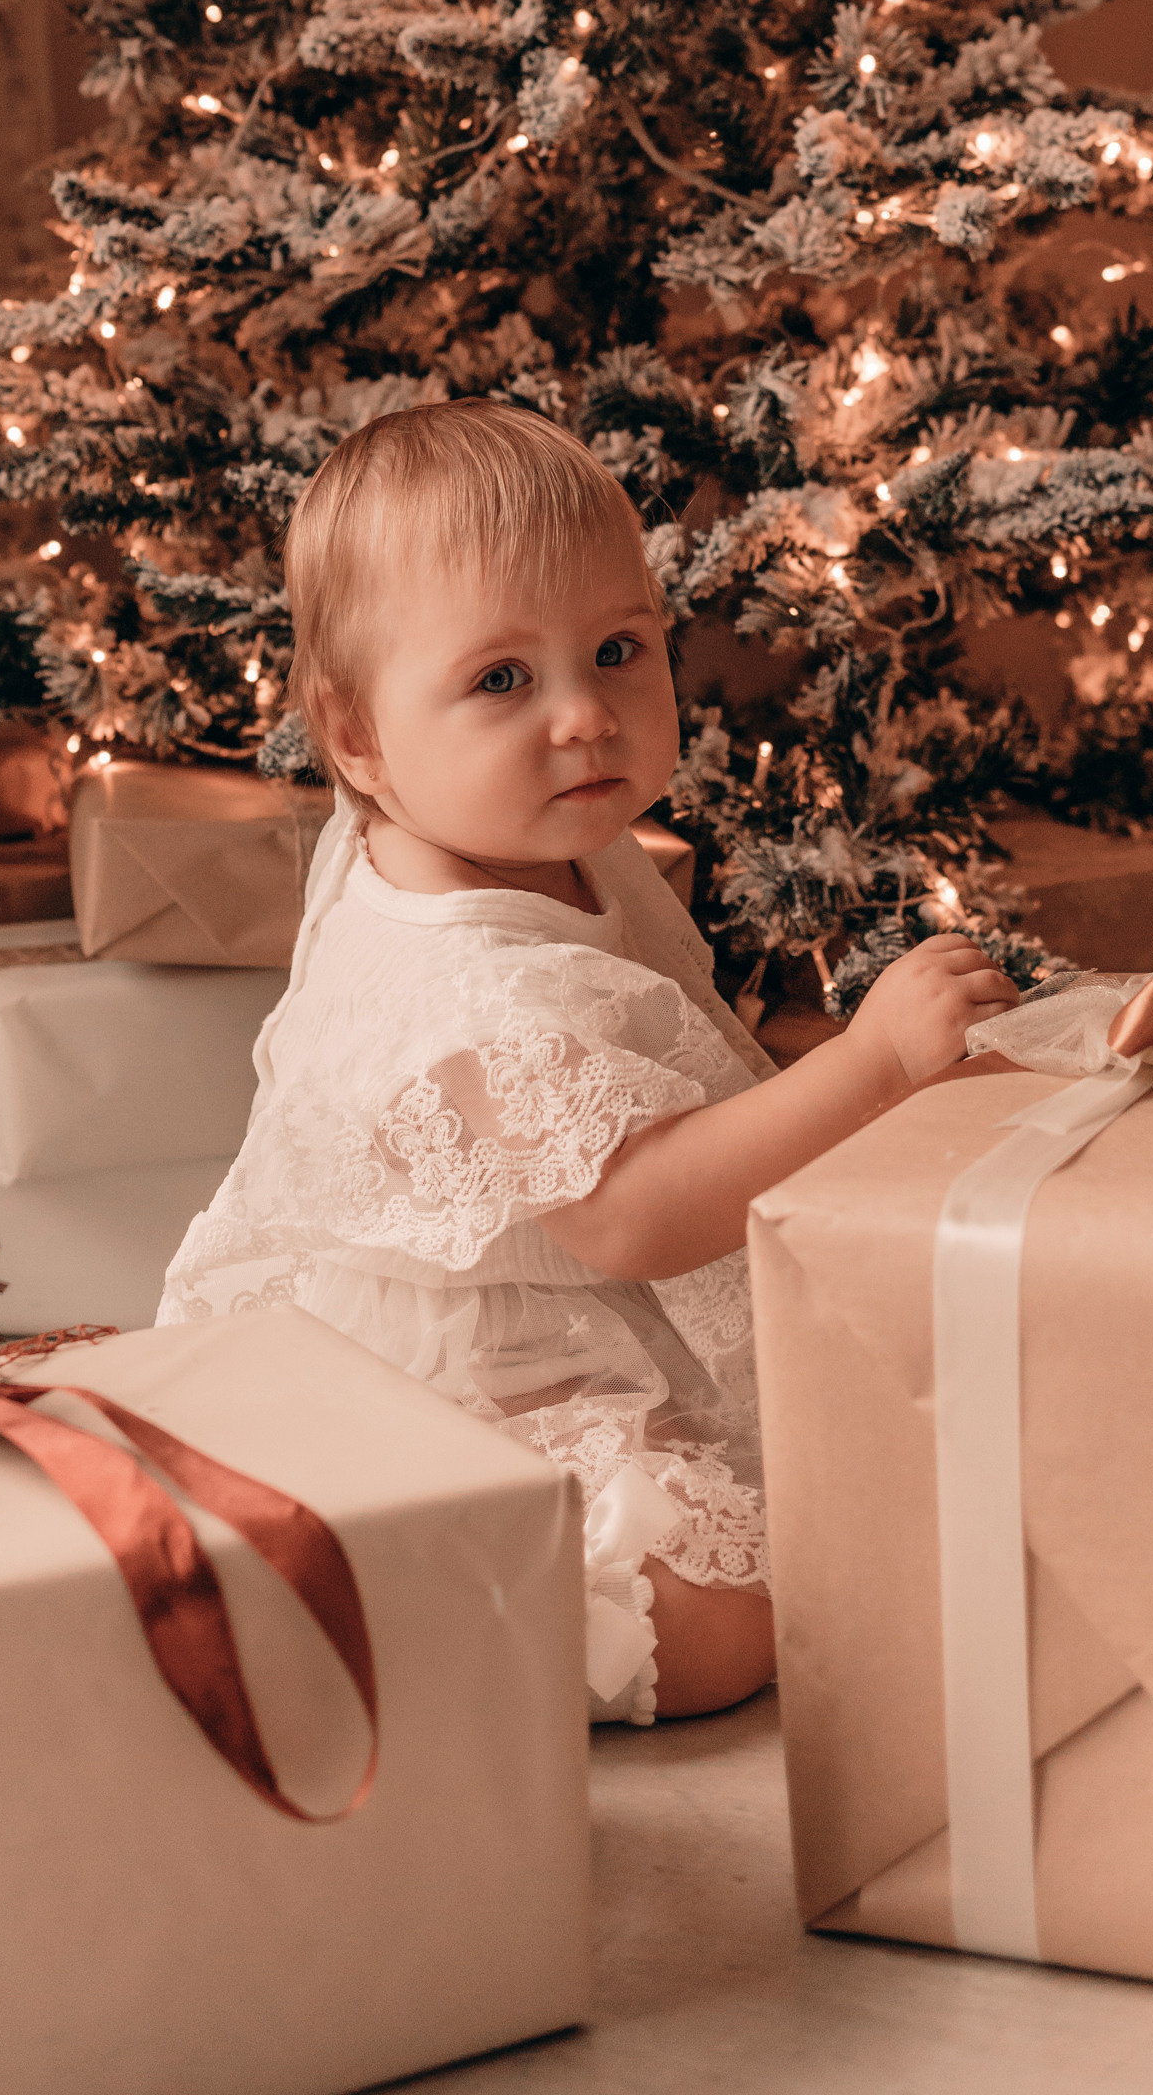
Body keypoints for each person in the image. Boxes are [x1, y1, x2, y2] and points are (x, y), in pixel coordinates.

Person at [157, 400, 1018, 1725]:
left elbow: (667, 1061)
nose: (585, 718)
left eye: (619, 651)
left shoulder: (507, 825)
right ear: (360, 740)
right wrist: (872, 1065)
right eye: (502, 680)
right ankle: (371, 1603)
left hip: (565, 1324)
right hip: (448, 1374)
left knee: (881, 1464)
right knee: (726, 1621)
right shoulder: (464, 980)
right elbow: (629, 1213)